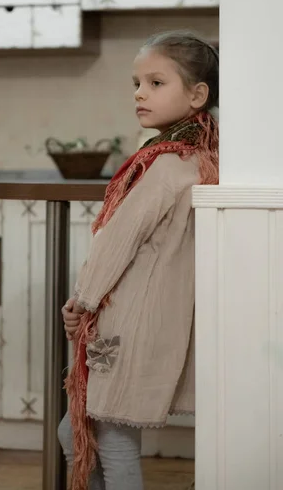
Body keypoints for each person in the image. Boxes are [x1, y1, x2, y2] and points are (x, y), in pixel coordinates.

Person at [58, 30, 219, 490]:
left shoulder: (163, 165)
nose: (139, 93)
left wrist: (82, 301)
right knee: (77, 431)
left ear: (197, 94)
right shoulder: (200, 156)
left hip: (123, 320)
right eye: (136, 83)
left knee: (109, 439)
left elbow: (117, 242)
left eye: (155, 82)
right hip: (149, 318)